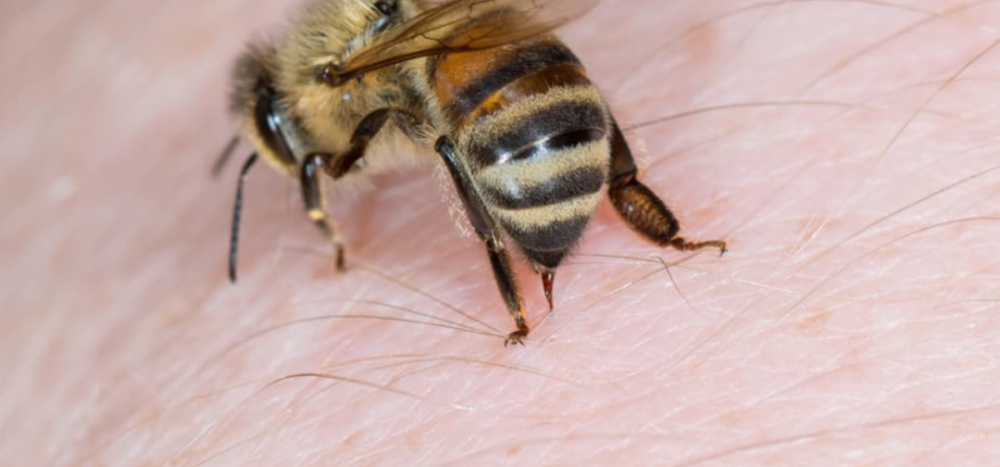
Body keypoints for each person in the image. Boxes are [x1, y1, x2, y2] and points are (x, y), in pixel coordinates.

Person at [3, 0, 998, 464]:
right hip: (515, 62)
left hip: (497, 99)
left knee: (452, 138)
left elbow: (354, 151)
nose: (303, 159)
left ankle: (518, 292)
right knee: (471, 115)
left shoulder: (329, 91)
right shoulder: (386, 37)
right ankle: (655, 228)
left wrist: (326, 221)